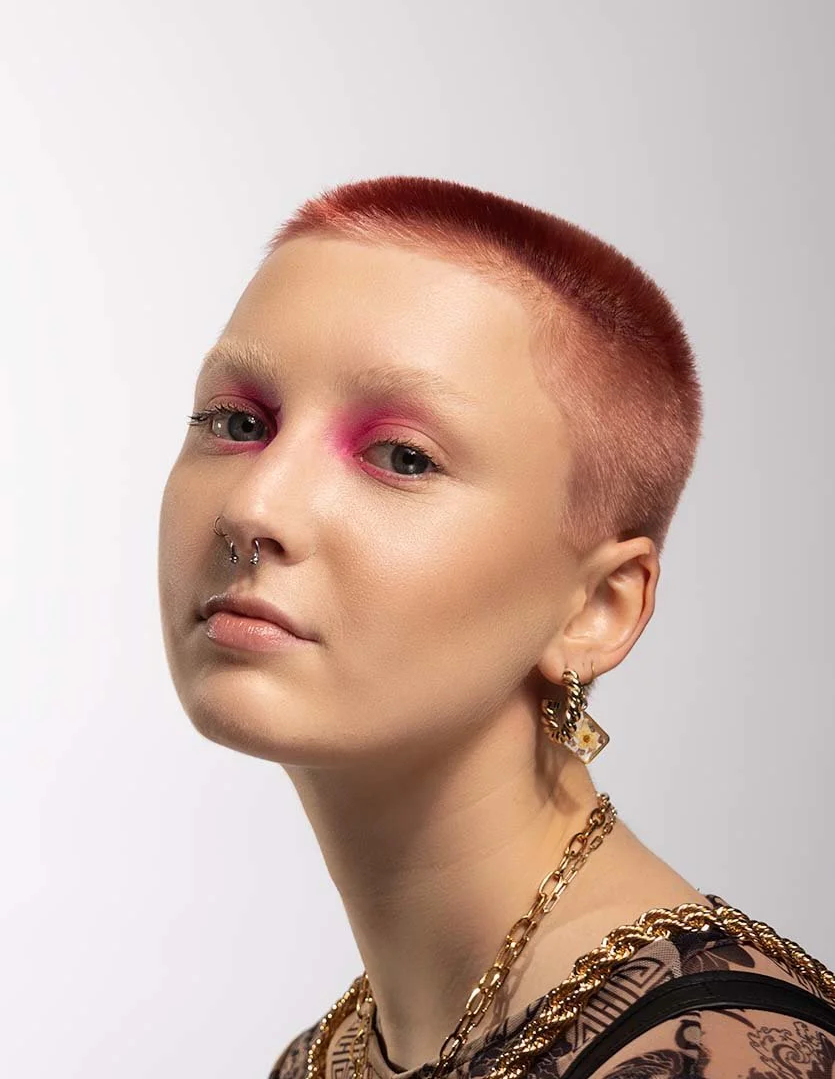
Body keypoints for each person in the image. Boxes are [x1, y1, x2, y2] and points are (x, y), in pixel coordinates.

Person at [157, 176, 835, 1079]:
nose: (255, 506)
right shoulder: (331, 1058)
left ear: (599, 608)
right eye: (238, 422)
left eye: (401, 457)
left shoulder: (715, 1058)